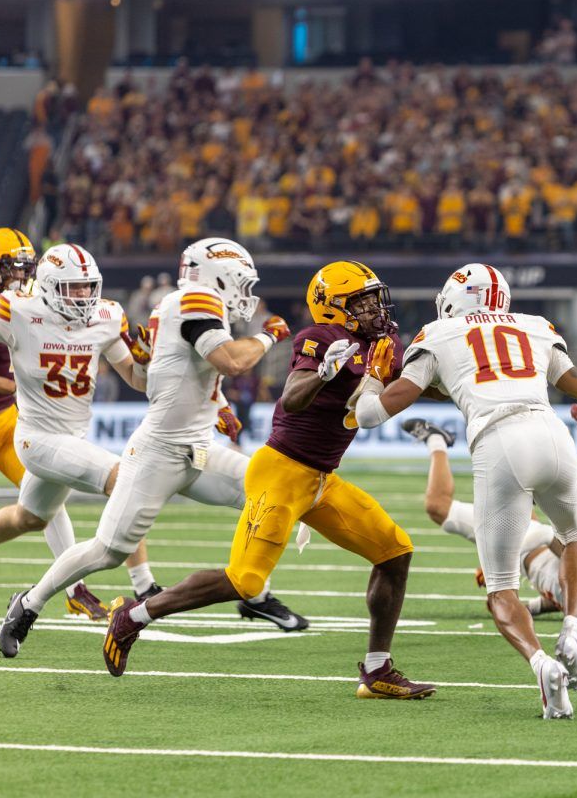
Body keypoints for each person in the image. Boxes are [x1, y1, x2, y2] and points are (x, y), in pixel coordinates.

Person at [101, 260, 435, 700]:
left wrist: (452, 374)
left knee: (395, 552)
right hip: (280, 471)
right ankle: (135, 615)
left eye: (375, 298)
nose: (374, 307)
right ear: (333, 307)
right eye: (362, 301)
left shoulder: (381, 341)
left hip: (320, 479)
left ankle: (377, 671)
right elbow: (293, 399)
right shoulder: (322, 338)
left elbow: (406, 385)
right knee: (245, 581)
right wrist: (324, 374)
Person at [0, 237, 304, 658]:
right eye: (240, 282)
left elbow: (164, 377)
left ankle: (254, 592)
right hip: (158, 453)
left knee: (271, 496)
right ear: (218, 278)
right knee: (107, 551)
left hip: (196, 449)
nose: (246, 294)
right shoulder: (196, 300)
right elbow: (231, 361)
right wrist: (270, 338)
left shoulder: (181, 306)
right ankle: (30, 603)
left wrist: (219, 404)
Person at [353, 263, 577, 719]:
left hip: (499, 442)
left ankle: (541, 665)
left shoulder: (438, 333)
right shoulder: (536, 328)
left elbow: (370, 415)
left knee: (501, 588)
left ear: (455, 299)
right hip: (553, 434)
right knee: (575, 539)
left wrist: (370, 379)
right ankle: (573, 628)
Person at [0, 243, 156, 620]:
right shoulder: (19, 311)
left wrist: (148, 360)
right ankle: (145, 586)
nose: (84, 296)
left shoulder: (105, 317)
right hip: (34, 438)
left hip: (71, 439)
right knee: (124, 478)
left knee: (32, 517)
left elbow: (136, 380)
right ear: (48, 286)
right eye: (73, 288)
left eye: (89, 287)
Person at [403, 417, 577, 624]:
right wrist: (498, 560)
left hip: (526, 551)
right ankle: (436, 440)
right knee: (437, 507)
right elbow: (549, 538)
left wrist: (530, 608)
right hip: (523, 538)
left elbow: (563, 598)